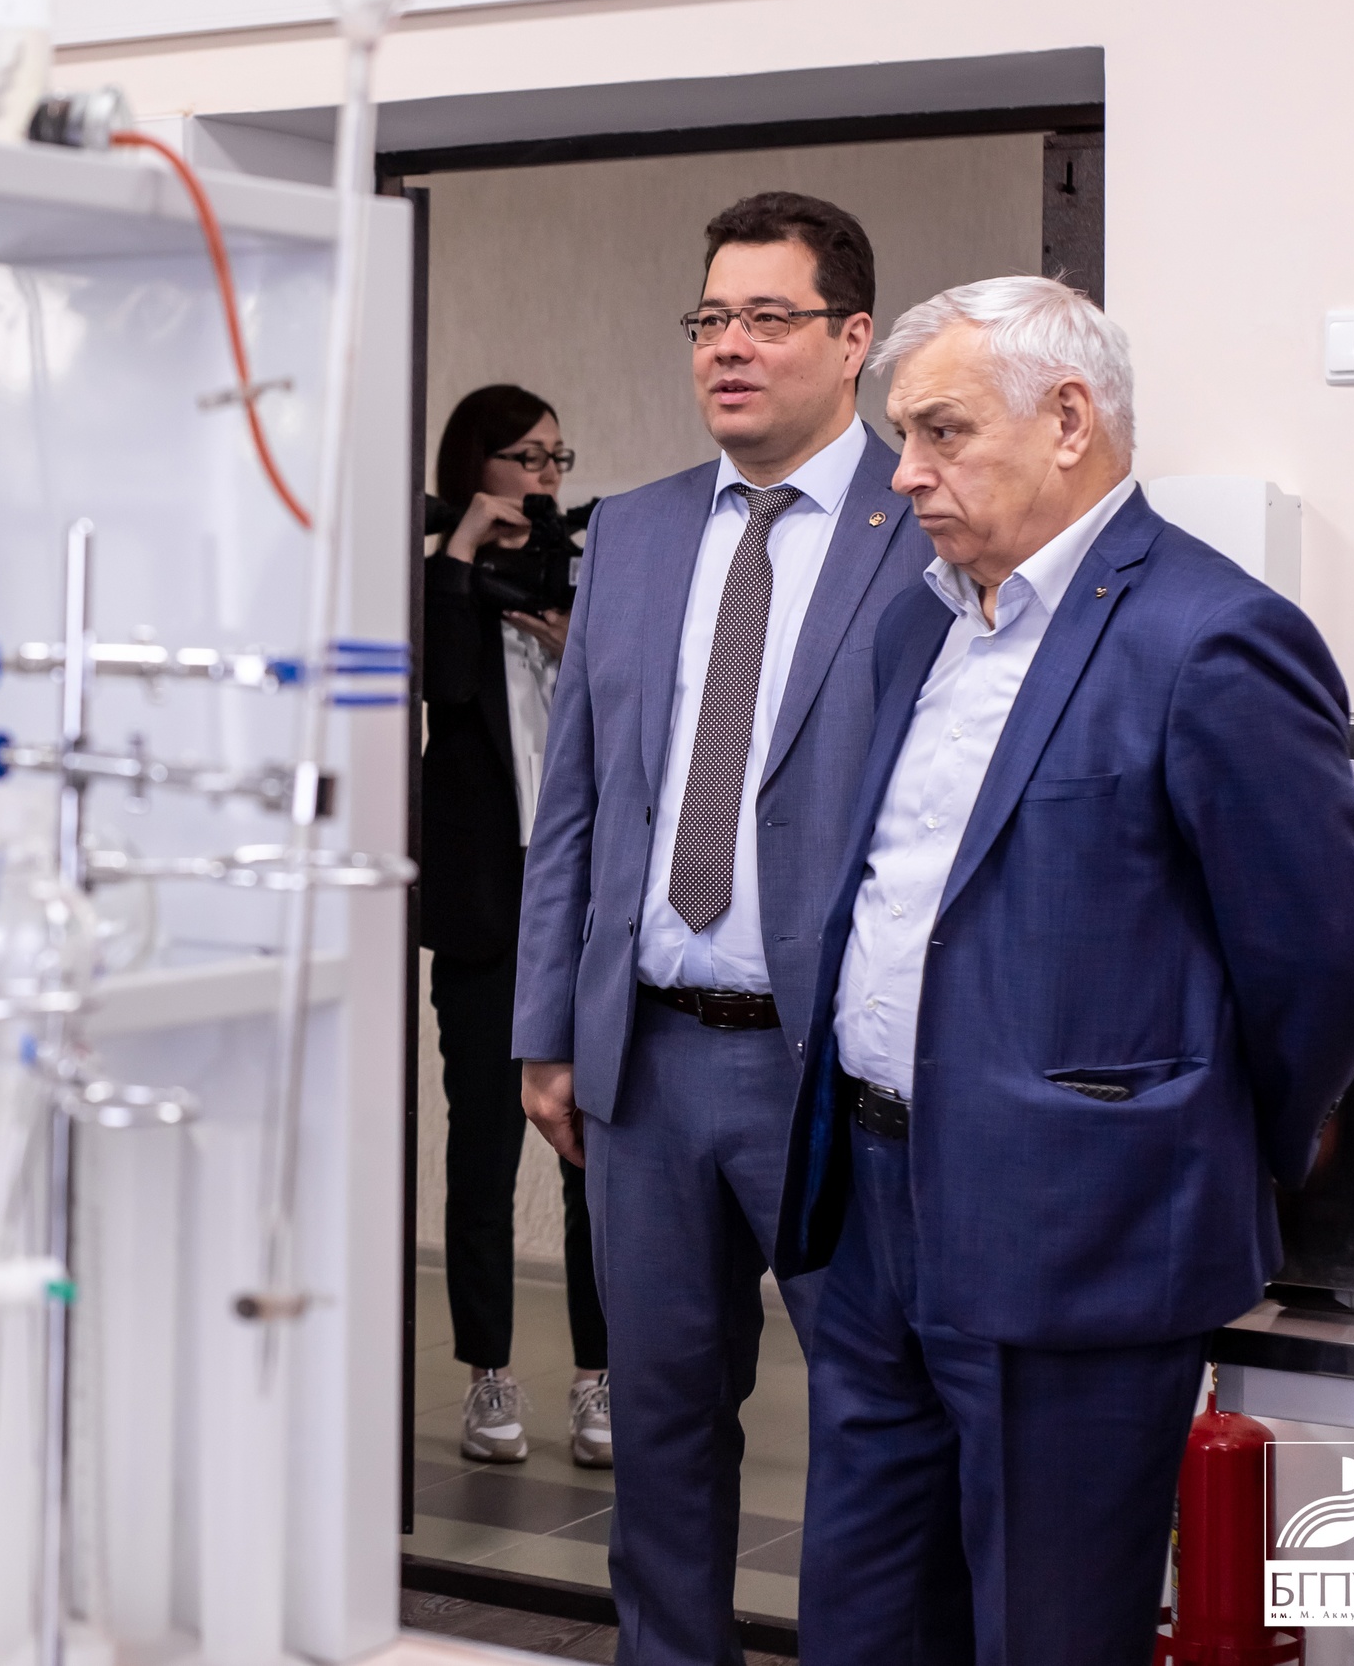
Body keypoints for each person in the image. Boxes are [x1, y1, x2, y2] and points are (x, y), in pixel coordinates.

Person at [776, 277, 1354, 1662]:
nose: (905, 471)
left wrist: (1217, 1135)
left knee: (1046, 1629)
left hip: (1078, 1227)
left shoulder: (1208, 635)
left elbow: (1330, 949)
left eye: (940, 430)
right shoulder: (920, 622)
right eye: (901, 435)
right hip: (874, 1205)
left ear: (1068, 420)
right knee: (862, 1616)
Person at [511, 192, 929, 1662]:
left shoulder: (921, 527)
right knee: (663, 1422)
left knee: (874, 1419)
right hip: (647, 1061)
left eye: (767, 318)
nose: (727, 347)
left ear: (854, 339)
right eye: (709, 319)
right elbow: (574, 802)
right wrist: (545, 1031)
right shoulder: (631, 532)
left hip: (835, 1073)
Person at [420, 383, 611, 1467]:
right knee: (482, 1151)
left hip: (581, 912)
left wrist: (576, 643)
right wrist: (458, 554)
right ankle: (486, 1371)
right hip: (487, 918)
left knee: (595, 1157)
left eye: (554, 457)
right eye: (525, 457)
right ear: (476, 467)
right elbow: (443, 696)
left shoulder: (584, 579)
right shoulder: (436, 584)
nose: (543, 476)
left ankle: (597, 1375)